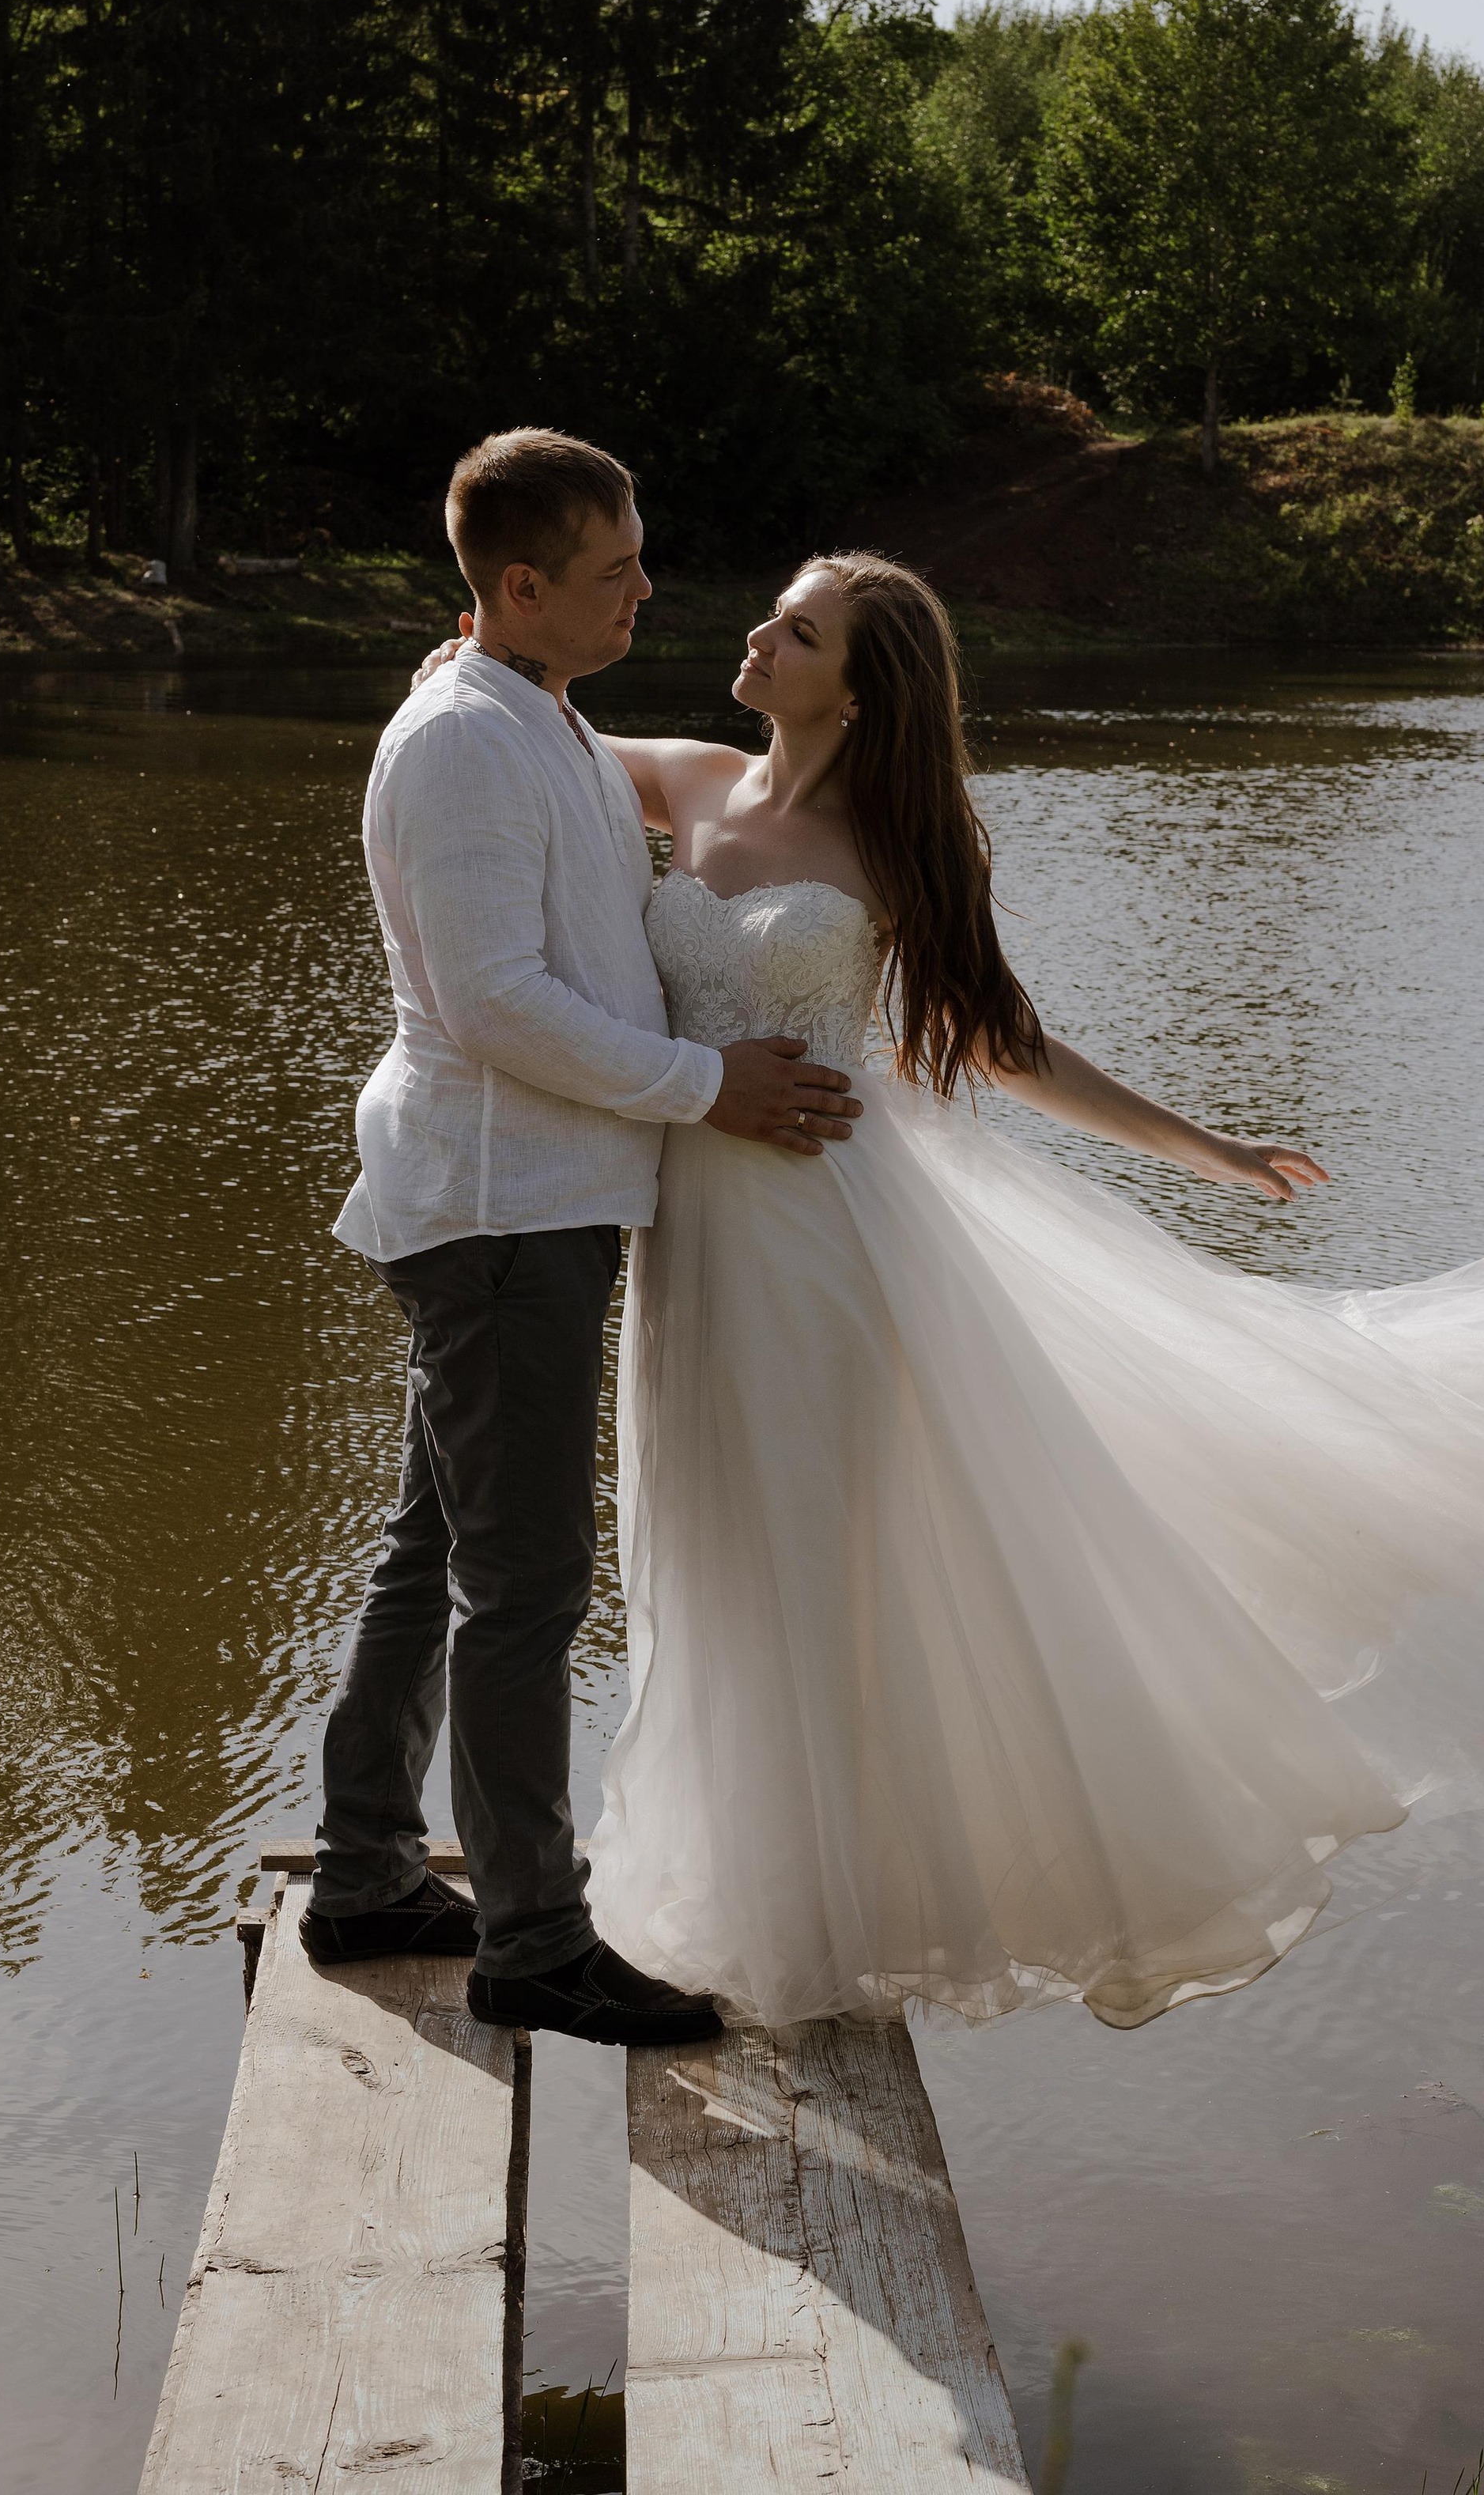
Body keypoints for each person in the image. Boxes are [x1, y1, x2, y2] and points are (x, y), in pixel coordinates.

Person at [559, 549, 1484, 2031]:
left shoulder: (894, 853)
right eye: (774, 613)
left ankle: (807, 1932)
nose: (760, 636)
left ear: (864, 688)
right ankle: (741, 1887)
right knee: (703, 1546)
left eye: (800, 630)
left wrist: (1201, 1148)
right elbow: (528, 722)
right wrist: (459, 661)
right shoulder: (684, 779)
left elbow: (1004, 1046)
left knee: (810, 1565)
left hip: (826, 1245)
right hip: (694, 1238)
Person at [302, 429, 861, 2049]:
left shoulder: (526, 706)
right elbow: (493, 1003)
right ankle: (535, 1935)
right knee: (526, 1582)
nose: (644, 588)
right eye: (614, 569)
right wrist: (706, 1086)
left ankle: (360, 1872)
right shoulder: (469, 740)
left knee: (438, 1548)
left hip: (525, 1195)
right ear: (524, 584)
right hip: (499, 1205)